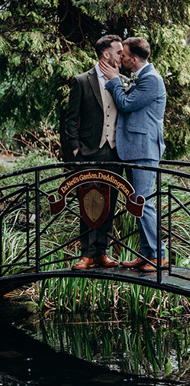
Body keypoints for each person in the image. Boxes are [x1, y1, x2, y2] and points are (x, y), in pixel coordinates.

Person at [99, 37, 167, 272]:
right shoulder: (142, 77)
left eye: (124, 55)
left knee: (143, 202)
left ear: (134, 59)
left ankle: (158, 256)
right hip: (135, 150)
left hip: (144, 150)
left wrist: (114, 81)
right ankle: (147, 254)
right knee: (137, 203)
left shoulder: (152, 81)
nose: (121, 58)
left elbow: (126, 104)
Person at [64, 35, 124, 269]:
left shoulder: (123, 80)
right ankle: (86, 253)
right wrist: (76, 147)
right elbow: (71, 119)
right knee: (87, 200)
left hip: (115, 152)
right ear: (105, 54)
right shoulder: (81, 80)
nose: (122, 55)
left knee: (110, 201)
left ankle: (102, 252)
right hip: (89, 151)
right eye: (118, 51)